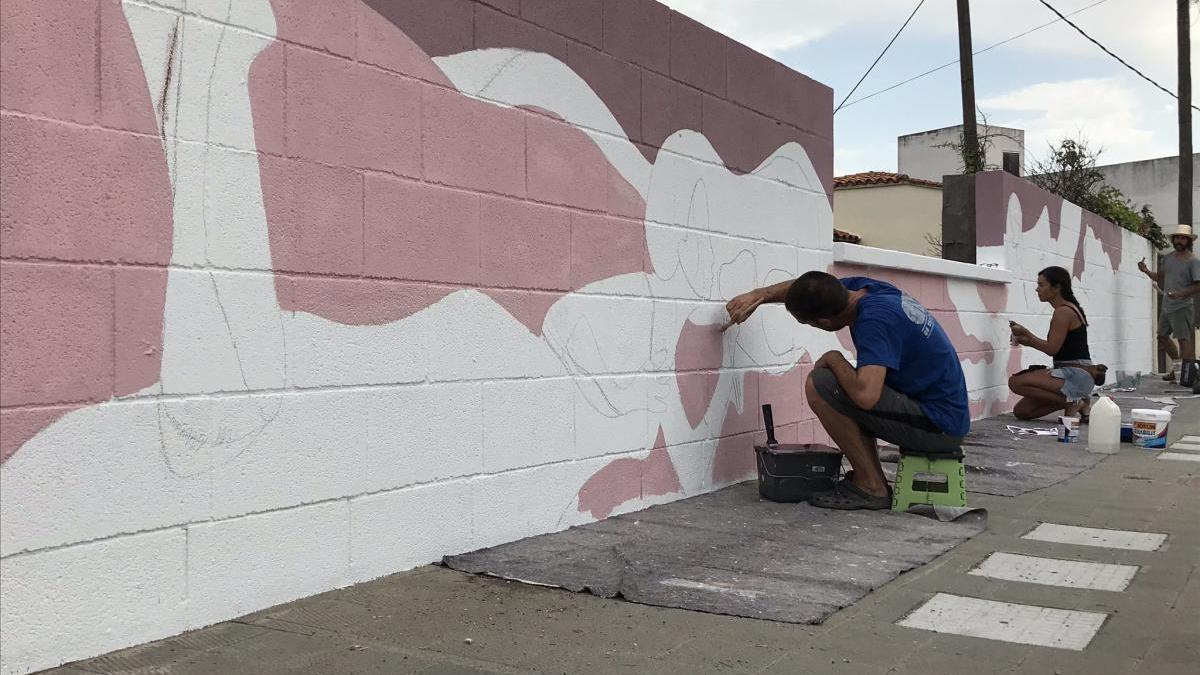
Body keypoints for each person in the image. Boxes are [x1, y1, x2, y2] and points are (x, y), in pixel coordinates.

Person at [723, 271, 969, 510]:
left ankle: (872, 487)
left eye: (808, 323)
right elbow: (811, 286)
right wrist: (759, 295)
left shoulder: (874, 322)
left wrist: (834, 357)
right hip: (941, 415)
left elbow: (866, 396)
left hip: (939, 428)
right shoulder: (864, 290)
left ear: (824, 322)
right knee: (843, 382)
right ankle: (870, 478)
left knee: (822, 384)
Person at [1007, 266, 1106, 421]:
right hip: (1069, 374)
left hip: (1076, 375)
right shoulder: (1066, 309)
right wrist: (1029, 341)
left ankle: (1072, 401)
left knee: (1015, 382)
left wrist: (1027, 335)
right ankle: (1079, 402)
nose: (1037, 289)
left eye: (1041, 285)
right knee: (1022, 411)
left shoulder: (1063, 312)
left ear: (1057, 287)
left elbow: (1052, 349)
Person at [1138, 224, 1200, 387]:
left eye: (1183, 238)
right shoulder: (1168, 258)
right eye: (1177, 238)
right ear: (1173, 240)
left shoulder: (1193, 261)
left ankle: (1187, 376)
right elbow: (1161, 278)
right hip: (1167, 306)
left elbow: (1198, 286)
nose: (1179, 240)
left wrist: (1181, 294)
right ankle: (1178, 368)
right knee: (1162, 336)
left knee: (1183, 340)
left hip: (1183, 306)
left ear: (1188, 241)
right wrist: (1145, 271)